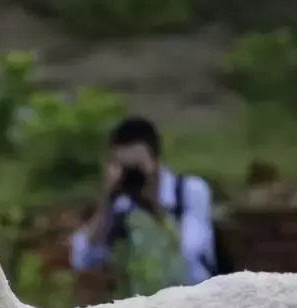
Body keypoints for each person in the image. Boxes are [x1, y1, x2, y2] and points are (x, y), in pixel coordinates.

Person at [69, 116, 218, 288]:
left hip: (193, 298)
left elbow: (189, 253)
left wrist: (153, 205)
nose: (133, 177)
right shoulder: (122, 206)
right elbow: (82, 259)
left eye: (137, 167)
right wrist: (107, 200)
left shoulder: (188, 191)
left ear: (157, 160)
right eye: (125, 168)